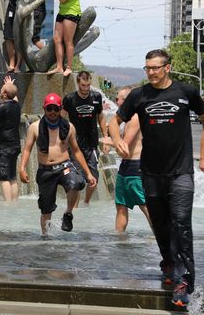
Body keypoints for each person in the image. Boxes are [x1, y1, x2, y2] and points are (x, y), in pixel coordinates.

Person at [109, 49, 204, 309]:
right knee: (160, 225)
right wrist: (117, 140)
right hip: (150, 172)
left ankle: (184, 281)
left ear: (168, 68)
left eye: (155, 67)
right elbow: (114, 120)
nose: (150, 72)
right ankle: (169, 263)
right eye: (147, 68)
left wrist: (203, 154)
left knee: (181, 223)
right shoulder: (140, 95)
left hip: (181, 171)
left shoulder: (187, 92)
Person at [18, 93, 97, 235]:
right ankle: (45, 236)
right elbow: (27, 150)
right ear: (44, 109)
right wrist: (22, 169)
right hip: (45, 170)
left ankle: (68, 213)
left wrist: (88, 173)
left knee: (76, 183)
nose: (53, 112)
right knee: (46, 209)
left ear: (61, 109)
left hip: (64, 166)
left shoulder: (69, 127)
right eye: (49, 109)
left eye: (56, 108)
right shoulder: (35, 128)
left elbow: (77, 151)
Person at [61, 71, 109, 206]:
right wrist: (61, 139)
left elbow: (100, 117)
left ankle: (86, 202)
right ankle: (74, 208)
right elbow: (62, 118)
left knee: (94, 178)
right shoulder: (69, 99)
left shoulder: (96, 97)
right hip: (75, 144)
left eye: (88, 85)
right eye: (83, 85)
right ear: (78, 83)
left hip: (92, 144)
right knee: (77, 179)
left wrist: (105, 137)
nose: (86, 88)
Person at [109, 87, 151, 233]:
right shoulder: (126, 118)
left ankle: (160, 236)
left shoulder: (135, 118)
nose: (116, 101)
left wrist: (107, 141)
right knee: (121, 205)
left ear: (127, 101)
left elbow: (124, 145)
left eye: (118, 98)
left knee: (145, 205)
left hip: (136, 166)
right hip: (125, 166)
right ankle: (118, 238)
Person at [47, 0, 81, 77]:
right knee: (57, 39)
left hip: (71, 12)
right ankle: (59, 66)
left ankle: (69, 67)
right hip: (62, 12)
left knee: (68, 41)